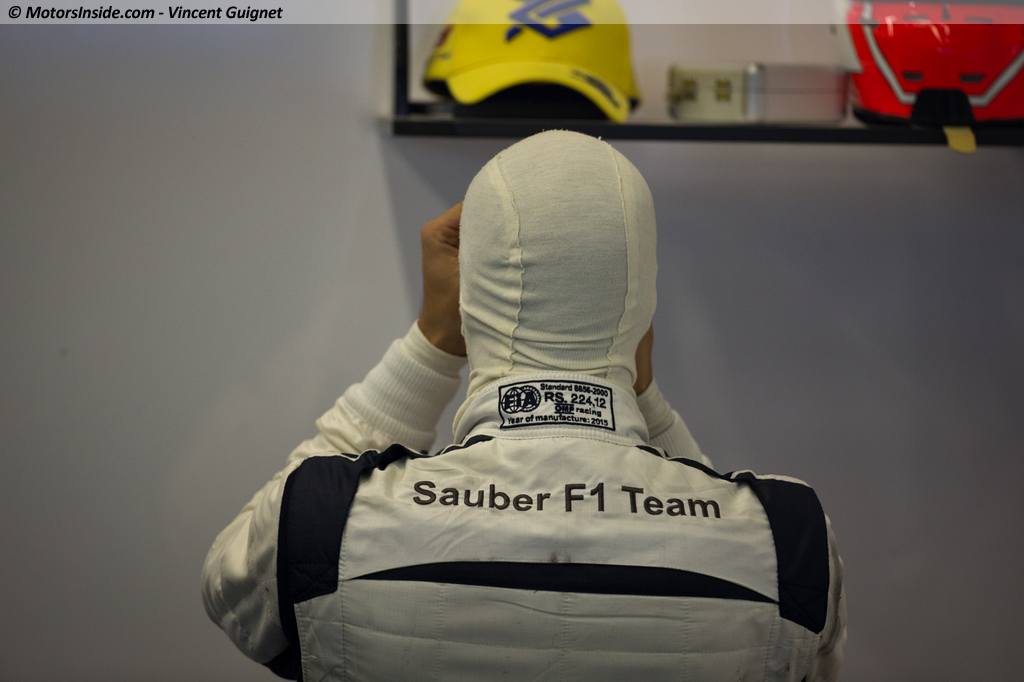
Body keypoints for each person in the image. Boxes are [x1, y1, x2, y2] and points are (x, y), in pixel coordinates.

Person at [201, 130, 847, 681]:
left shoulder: (321, 526)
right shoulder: (790, 545)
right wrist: (642, 395)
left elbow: (230, 586)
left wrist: (430, 345)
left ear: (466, 298)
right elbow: (723, 532)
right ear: (643, 308)